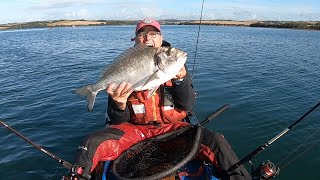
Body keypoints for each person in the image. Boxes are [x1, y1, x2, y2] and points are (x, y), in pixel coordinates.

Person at [105, 18, 196, 125]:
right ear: (135, 39)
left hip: (172, 126)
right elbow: (119, 121)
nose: (147, 38)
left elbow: (187, 105)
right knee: (92, 142)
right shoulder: (124, 65)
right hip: (136, 129)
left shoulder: (176, 65)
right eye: (141, 34)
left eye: (153, 34)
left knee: (215, 140)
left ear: (161, 38)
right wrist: (119, 105)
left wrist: (180, 81)